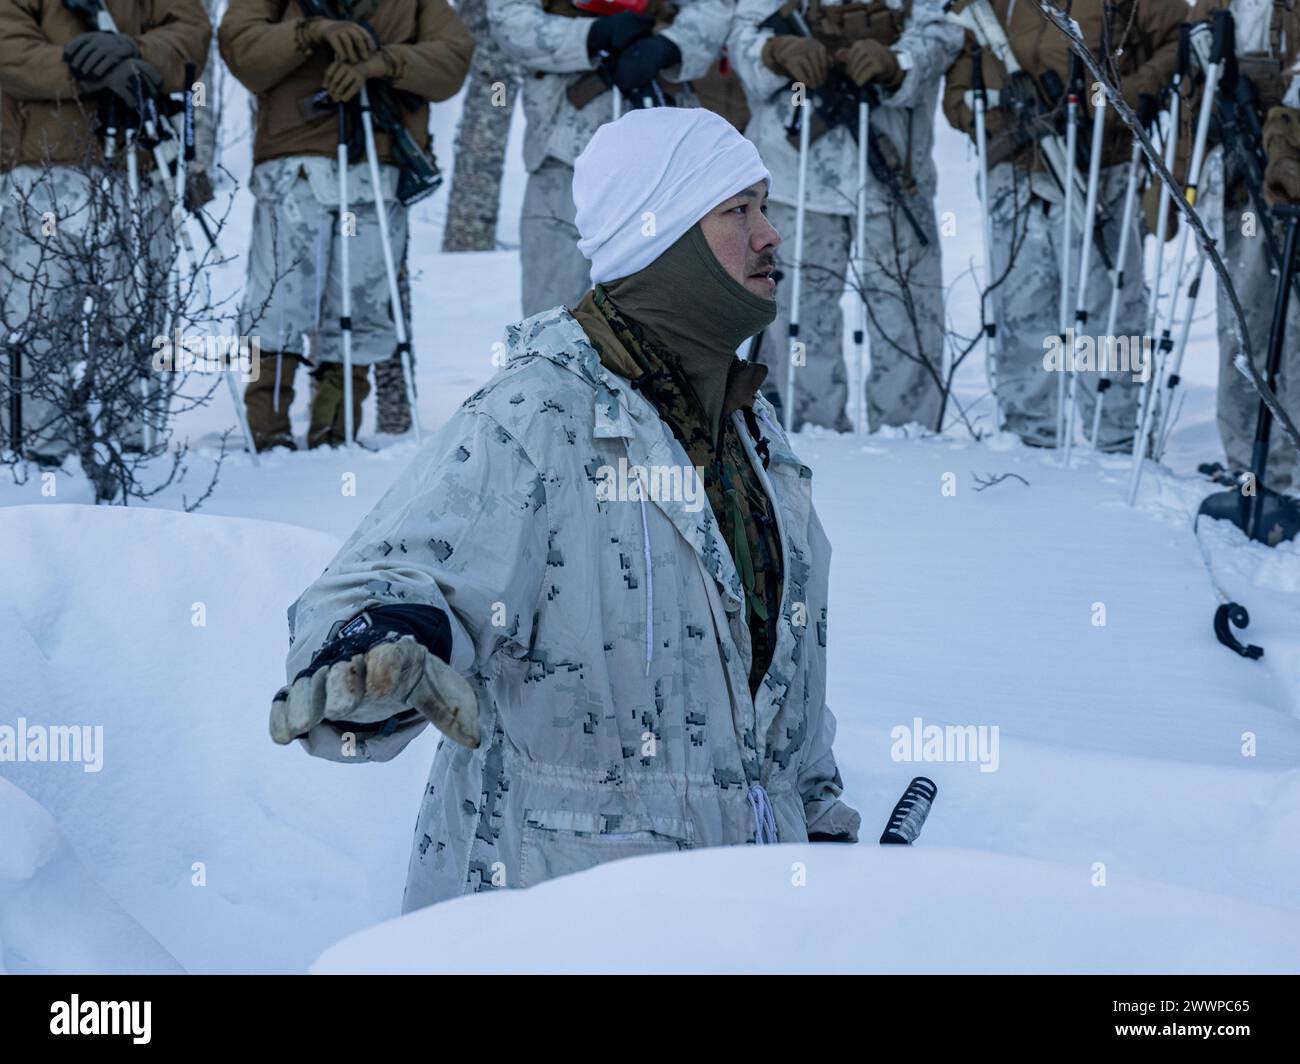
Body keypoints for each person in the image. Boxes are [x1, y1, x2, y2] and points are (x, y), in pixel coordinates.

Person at [268, 107, 862, 912]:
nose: (770, 235)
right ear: (663, 238)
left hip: (738, 920)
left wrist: (819, 830)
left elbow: (784, 693)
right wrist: (381, 645)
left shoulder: (749, 425)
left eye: (764, 205)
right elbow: (391, 577)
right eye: (738, 210)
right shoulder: (538, 415)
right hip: (551, 917)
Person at [219, 0, 473, 451]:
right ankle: (269, 433)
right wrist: (310, 32)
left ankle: (334, 437)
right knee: (277, 304)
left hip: (378, 168)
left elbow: (453, 57)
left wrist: (384, 63)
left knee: (361, 306)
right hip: (292, 167)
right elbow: (241, 50)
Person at [943, 0, 1183, 450]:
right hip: (1016, 170)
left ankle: (1118, 439)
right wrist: (969, 107)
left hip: (1099, 169)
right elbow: (963, 57)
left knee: (1110, 310)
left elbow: (1182, 38)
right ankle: (1030, 438)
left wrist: (1129, 91)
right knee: (1022, 308)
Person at [730, 0, 963, 434]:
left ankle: (909, 438)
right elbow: (740, 36)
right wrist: (774, 50)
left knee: (906, 315)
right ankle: (810, 432)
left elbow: (945, 33)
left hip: (892, 173)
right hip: (796, 174)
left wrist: (899, 61)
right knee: (801, 315)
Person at [0, 0, 212, 465]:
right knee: (36, 319)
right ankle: (38, 451)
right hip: (42, 174)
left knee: (136, 314)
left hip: (139, 168)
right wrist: (90, 69)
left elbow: (192, 37)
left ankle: (132, 447)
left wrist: (131, 51)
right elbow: (11, 56)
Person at [488, 0, 734, 318]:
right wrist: (591, 34)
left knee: (662, 314)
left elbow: (717, 9)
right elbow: (508, 19)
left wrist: (668, 46)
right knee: (552, 309)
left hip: (662, 152)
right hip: (563, 149)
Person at [1187, 0, 1300, 492]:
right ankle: (1247, 463)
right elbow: (1191, 86)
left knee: (1292, 330)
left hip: (1286, 181)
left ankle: (1286, 464)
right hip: (1238, 189)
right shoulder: (1215, 5)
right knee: (1243, 324)